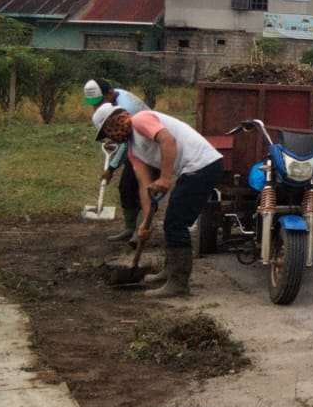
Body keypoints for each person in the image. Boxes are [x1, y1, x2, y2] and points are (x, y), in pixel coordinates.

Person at [93, 103, 224, 297]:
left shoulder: (140, 120)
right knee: (172, 221)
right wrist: (145, 222)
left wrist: (164, 177)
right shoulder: (133, 152)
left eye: (109, 131)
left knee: (176, 223)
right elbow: (144, 185)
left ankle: (179, 283)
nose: (112, 136)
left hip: (203, 164)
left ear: (116, 121)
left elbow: (167, 140)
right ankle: (170, 271)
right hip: (193, 169)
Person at [84, 78, 149, 243]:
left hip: (149, 146)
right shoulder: (114, 99)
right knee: (126, 187)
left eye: (99, 103)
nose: (96, 107)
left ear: (110, 93)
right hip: (136, 143)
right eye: (94, 104)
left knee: (145, 189)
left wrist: (111, 169)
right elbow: (124, 134)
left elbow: (127, 143)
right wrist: (114, 137)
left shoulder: (126, 108)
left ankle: (140, 231)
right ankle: (129, 228)